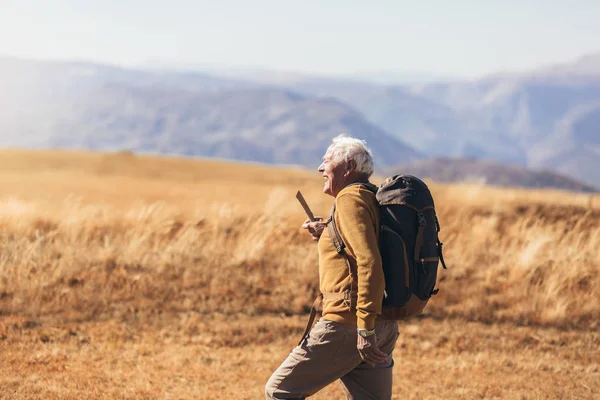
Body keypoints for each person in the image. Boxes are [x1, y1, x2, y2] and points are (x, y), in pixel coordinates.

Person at [265, 134, 399, 399]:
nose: (320, 167)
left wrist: (364, 327)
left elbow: (368, 260)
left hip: (349, 323)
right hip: (383, 323)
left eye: (327, 161)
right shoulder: (371, 197)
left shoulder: (349, 200)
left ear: (348, 166)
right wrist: (326, 232)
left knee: (279, 391)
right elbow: (363, 246)